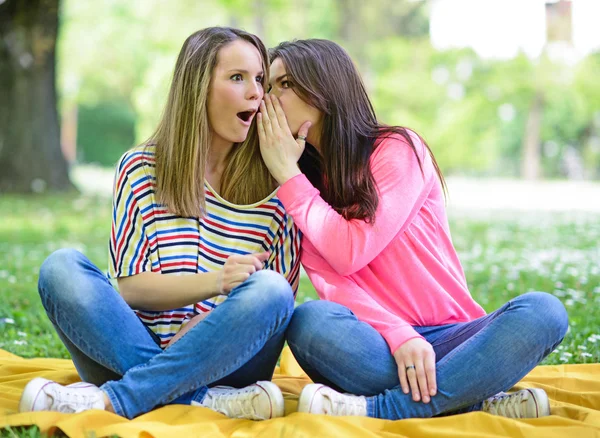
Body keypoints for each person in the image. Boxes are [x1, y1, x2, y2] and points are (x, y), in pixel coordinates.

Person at [256, 38, 569, 420]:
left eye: (284, 84)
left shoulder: (398, 149)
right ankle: (473, 395)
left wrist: (288, 175)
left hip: (455, 338)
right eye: (268, 87)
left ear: (324, 89)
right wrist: (398, 334)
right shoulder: (300, 186)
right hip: (379, 344)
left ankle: (384, 408)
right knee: (309, 323)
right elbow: (336, 285)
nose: (268, 99)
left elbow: (351, 249)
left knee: (544, 311)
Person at [18, 27, 302, 421]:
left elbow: (274, 310)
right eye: (238, 78)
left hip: (230, 364)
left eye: (260, 80)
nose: (256, 92)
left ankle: (118, 398)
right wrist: (217, 281)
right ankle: (202, 402)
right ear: (197, 87)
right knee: (61, 268)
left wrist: (208, 328)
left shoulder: (279, 187)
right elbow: (133, 288)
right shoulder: (140, 169)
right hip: (130, 348)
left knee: (270, 290)